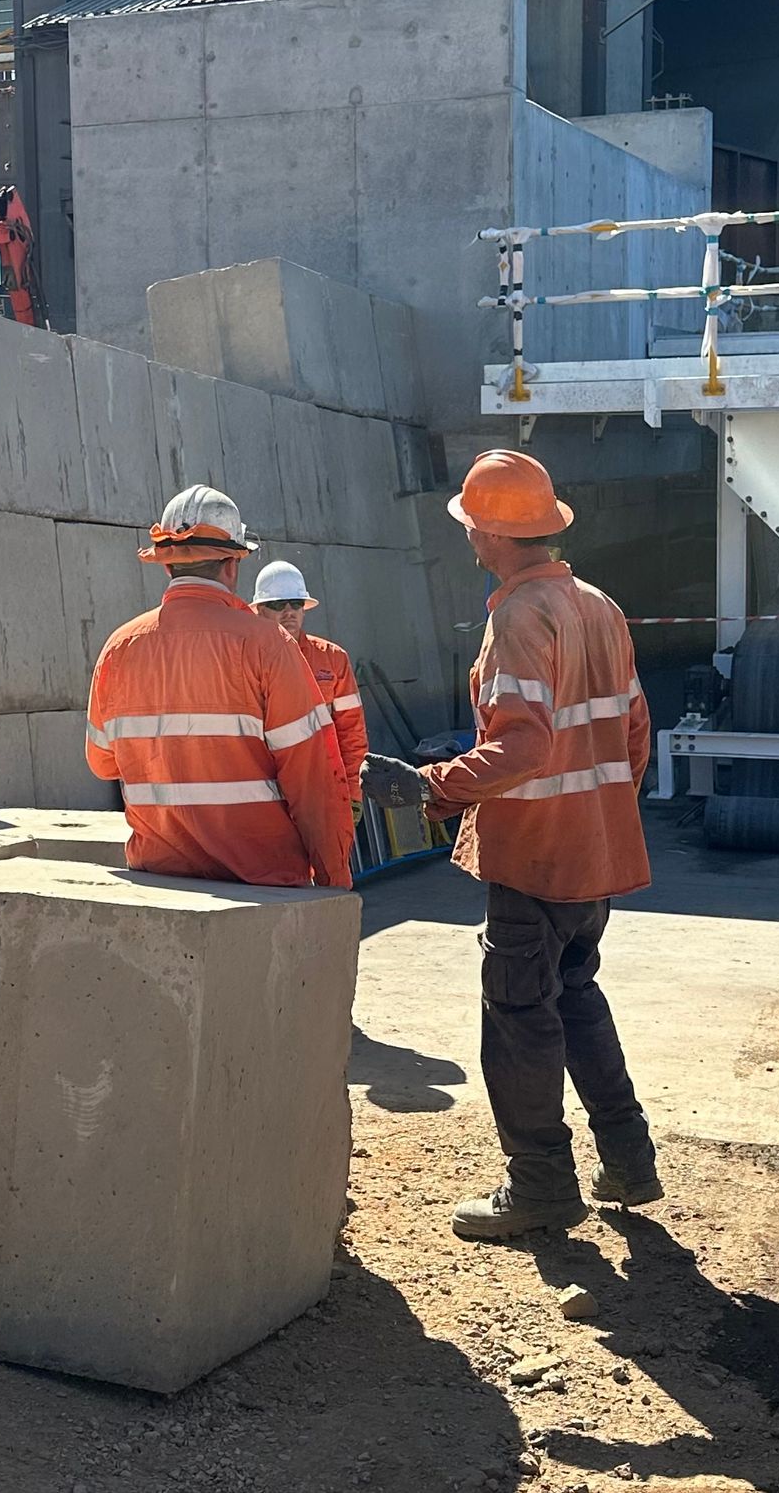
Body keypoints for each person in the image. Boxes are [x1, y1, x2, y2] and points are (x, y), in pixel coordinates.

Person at [365, 449, 656, 1240]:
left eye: (471, 525)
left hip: (535, 856)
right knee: (577, 992)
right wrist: (601, 813)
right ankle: (628, 1159)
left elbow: (524, 746)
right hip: (591, 854)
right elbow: (634, 729)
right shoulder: (598, 605)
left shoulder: (520, 618)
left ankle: (540, 1187)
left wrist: (433, 787)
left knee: (520, 1014)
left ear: (490, 533)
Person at [86, 485, 357, 889]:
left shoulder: (119, 647)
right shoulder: (267, 645)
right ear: (232, 565)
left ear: (166, 565)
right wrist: (335, 880)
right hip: (262, 882)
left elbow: (103, 762)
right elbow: (312, 777)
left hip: (161, 878)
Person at [252, 559, 371, 804]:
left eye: (296, 604)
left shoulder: (333, 659)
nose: (289, 612)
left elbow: (352, 732)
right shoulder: (245, 661)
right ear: (260, 610)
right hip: (270, 795)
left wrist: (353, 794)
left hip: (325, 789)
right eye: (277, 604)